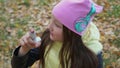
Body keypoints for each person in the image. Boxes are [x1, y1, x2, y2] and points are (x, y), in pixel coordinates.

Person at [11, 0, 103, 68]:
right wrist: (24, 50)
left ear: (72, 34)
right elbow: (18, 66)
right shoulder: (49, 38)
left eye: (57, 25)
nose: (49, 27)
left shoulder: (91, 56)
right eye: (52, 20)